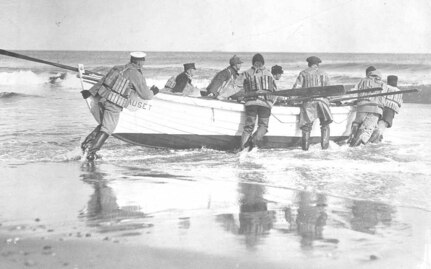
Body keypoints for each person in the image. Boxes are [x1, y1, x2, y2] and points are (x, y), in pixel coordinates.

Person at [80, 52, 159, 161]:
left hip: (102, 98)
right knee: (108, 128)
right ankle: (91, 153)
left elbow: (102, 81)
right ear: (140, 62)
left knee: (104, 125)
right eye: (143, 61)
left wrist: (90, 92)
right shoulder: (135, 74)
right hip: (114, 103)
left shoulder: (117, 68)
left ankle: (86, 145)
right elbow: (145, 95)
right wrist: (153, 92)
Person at [293, 56, 332, 151]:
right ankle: (325, 148)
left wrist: (294, 99)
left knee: (306, 127)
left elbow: (296, 89)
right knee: (325, 124)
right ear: (317, 64)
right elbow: (329, 91)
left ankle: (305, 150)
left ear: (308, 64)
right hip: (322, 102)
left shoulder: (303, 73)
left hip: (308, 102)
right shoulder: (324, 74)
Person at [240, 53, 277, 150]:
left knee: (248, 128)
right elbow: (274, 91)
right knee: (263, 126)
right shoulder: (269, 74)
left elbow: (239, 87)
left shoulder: (247, 73)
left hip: (251, 103)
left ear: (253, 62)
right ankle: (253, 141)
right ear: (263, 63)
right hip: (265, 104)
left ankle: (243, 148)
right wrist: (271, 103)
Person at [349, 67, 388, 146]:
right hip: (375, 109)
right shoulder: (383, 84)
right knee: (367, 130)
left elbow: (353, 91)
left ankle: (351, 139)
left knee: (357, 123)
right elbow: (384, 99)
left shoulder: (362, 81)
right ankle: (354, 148)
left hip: (361, 107)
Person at [368, 75, 403, 143]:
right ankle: (373, 141)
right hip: (391, 110)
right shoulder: (399, 91)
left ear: (388, 81)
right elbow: (399, 104)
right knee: (381, 127)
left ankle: (373, 140)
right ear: (396, 82)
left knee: (376, 124)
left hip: (381, 107)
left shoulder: (384, 87)